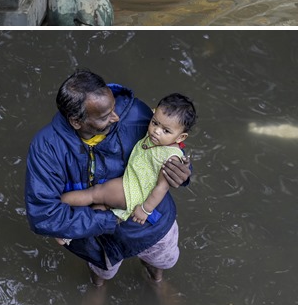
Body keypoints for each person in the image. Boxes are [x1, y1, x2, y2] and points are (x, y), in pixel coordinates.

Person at [25, 69, 191, 286]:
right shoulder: (46, 148)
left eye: (113, 107)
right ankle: (98, 289)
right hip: (96, 236)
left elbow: (170, 148)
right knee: (101, 272)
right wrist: (109, 220)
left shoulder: (136, 114)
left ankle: (157, 282)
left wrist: (183, 173)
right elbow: (42, 215)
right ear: (76, 122)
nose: (116, 117)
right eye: (105, 116)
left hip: (152, 224)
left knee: (159, 260)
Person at [57, 93, 196, 282]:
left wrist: (146, 209)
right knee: (98, 216)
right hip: (128, 203)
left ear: (180, 136)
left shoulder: (160, 143)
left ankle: (58, 207)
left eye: (165, 130)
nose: (156, 131)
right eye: (155, 123)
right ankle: (66, 233)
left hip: (135, 195)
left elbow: (163, 186)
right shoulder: (58, 144)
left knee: (95, 194)